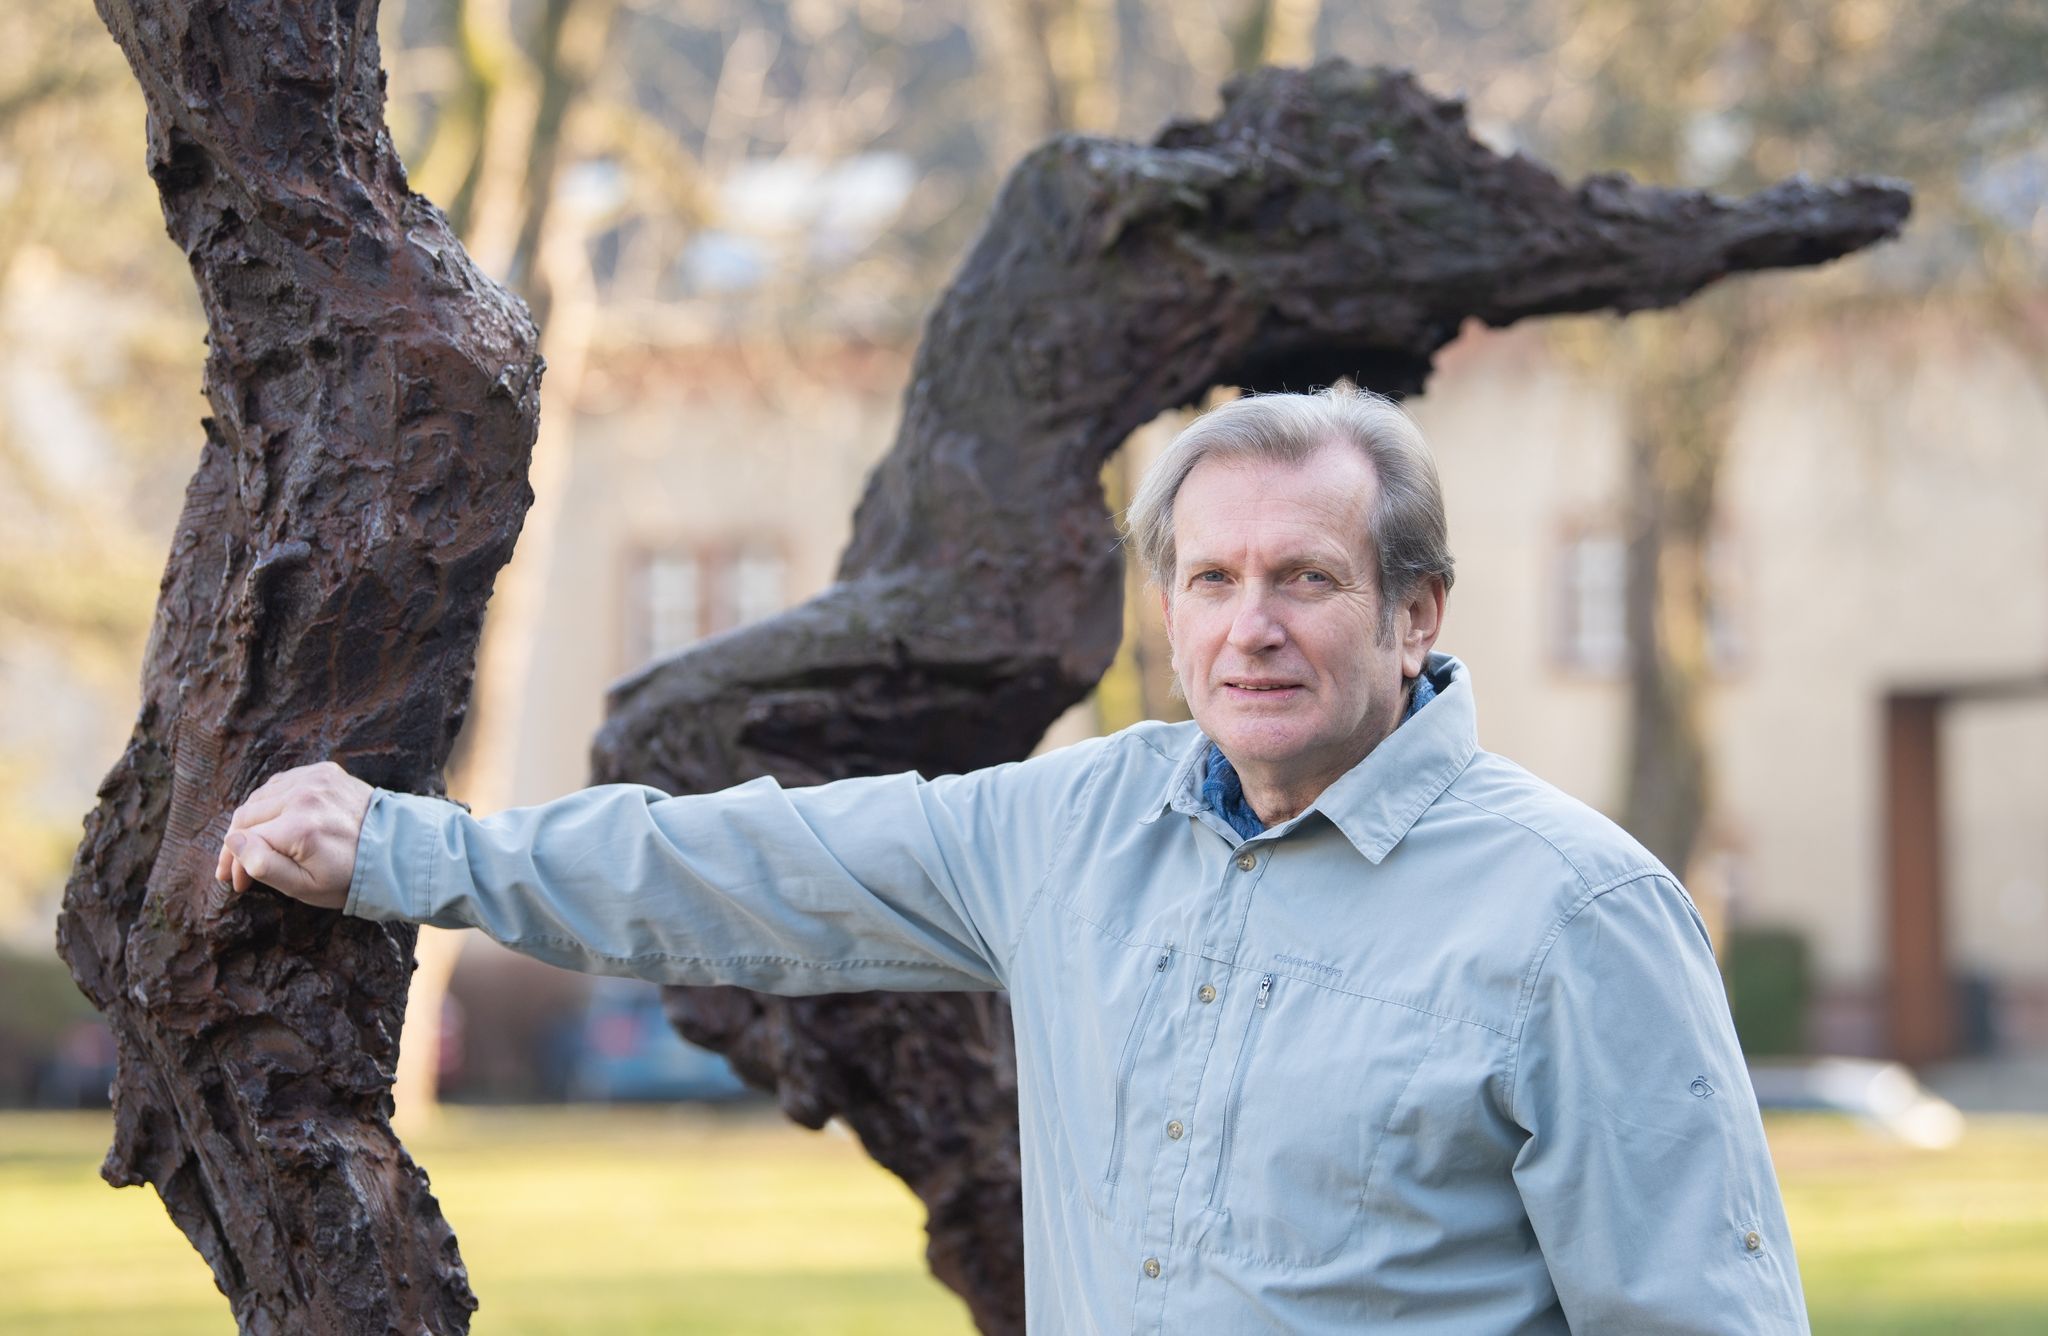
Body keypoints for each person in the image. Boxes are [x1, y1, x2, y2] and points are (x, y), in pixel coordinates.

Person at [217, 384, 1808, 1333]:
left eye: (1308, 578)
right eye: (1212, 578)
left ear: (1417, 611)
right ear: (1169, 606)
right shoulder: (1071, 829)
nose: (1251, 625)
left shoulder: (1576, 914)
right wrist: (400, 850)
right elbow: (737, 868)